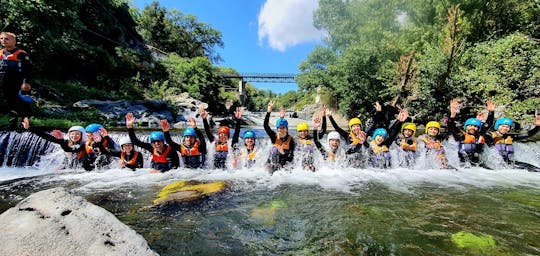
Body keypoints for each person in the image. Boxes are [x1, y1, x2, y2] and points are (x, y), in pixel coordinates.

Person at [22, 117, 87, 170]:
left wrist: (61, 140)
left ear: (82, 135)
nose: (74, 136)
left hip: (81, 168)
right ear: (69, 135)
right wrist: (29, 128)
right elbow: (47, 137)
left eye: (77, 134)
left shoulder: (84, 145)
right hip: (67, 166)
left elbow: (70, 150)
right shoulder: (66, 142)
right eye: (72, 134)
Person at [448, 99, 495, 168]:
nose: (473, 128)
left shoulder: (479, 135)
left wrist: (491, 112)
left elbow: (488, 124)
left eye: (475, 126)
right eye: (470, 126)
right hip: (463, 165)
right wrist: (452, 115)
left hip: (478, 165)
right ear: (465, 127)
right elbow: (451, 126)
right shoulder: (461, 136)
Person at [0, 32, 32, 130]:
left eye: (6, 39)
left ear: (14, 41)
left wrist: (26, 82)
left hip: (19, 83)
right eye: (1, 38)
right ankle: (12, 124)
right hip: (5, 82)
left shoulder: (21, 54)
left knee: (23, 104)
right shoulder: (1, 53)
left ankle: (25, 125)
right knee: (11, 104)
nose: (3, 41)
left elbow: (28, 69)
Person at [264, 101, 295, 173]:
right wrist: (268, 112)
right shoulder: (274, 137)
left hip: (283, 165)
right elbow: (266, 126)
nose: (281, 130)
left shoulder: (291, 140)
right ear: (277, 129)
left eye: (283, 128)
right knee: (274, 149)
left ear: (286, 129)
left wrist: (283, 153)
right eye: (279, 128)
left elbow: (291, 158)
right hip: (272, 164)